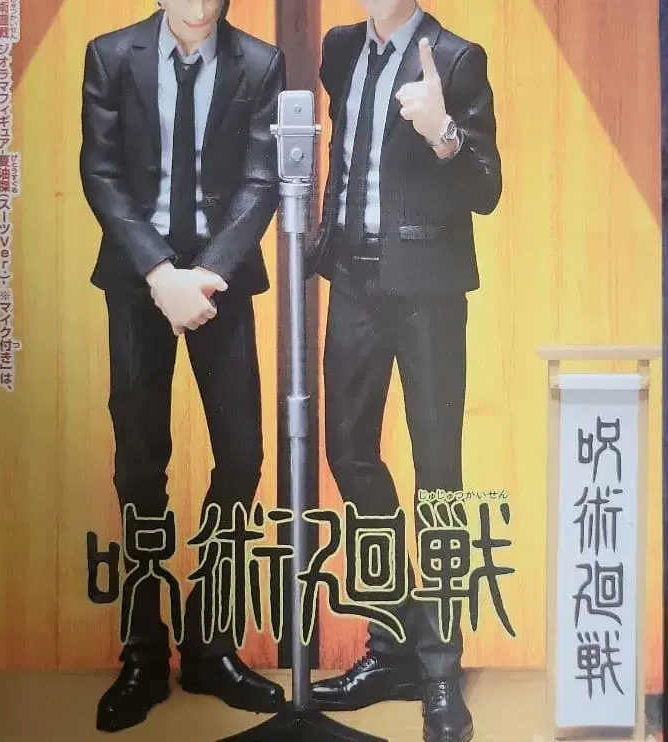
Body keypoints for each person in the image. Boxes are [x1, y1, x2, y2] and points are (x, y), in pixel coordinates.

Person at [79, 0, 286, 732]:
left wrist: (206, 276)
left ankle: (209, 642)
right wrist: (159, 273)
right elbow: (101, 173)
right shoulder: (111, 55)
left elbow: (262, 180)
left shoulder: (259, 63)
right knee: (140, 463)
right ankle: (143, 650)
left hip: (219, 282)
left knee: (243, 455)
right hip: (138, 278)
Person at [306, 1, 502, 741]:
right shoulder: (339, 49)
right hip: (353, 280)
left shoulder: (456, 58)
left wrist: (444, 132)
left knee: (438, 475)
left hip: (428, 289)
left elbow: (487, 188)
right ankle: (394, 645)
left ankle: (441, 671)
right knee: (348, 453)